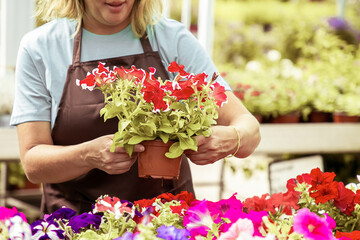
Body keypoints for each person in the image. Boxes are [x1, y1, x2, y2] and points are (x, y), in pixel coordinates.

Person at [10, 0, 261, 216]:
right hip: (78, 223)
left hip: (165, 222)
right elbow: (33, 162)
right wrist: (88, 155)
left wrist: (230, 138)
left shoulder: (171, 38)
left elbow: (249, 129)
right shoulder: (41, 47)